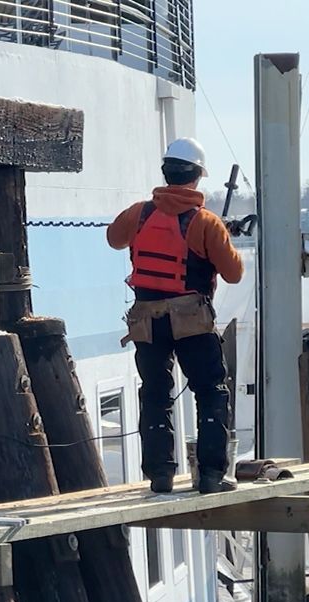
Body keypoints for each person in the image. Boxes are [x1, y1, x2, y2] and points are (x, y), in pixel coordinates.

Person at [106, 137, 244, 494]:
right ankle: (211, 475)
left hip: (147, 321)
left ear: (166, 172)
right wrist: (223, 237)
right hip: (190, 320)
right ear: (197, 177)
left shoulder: (140, 213)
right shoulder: (206, 222)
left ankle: (160, 475)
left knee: (155, 392)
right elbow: (233, 273)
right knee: (211, 391)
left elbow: (114, 239)